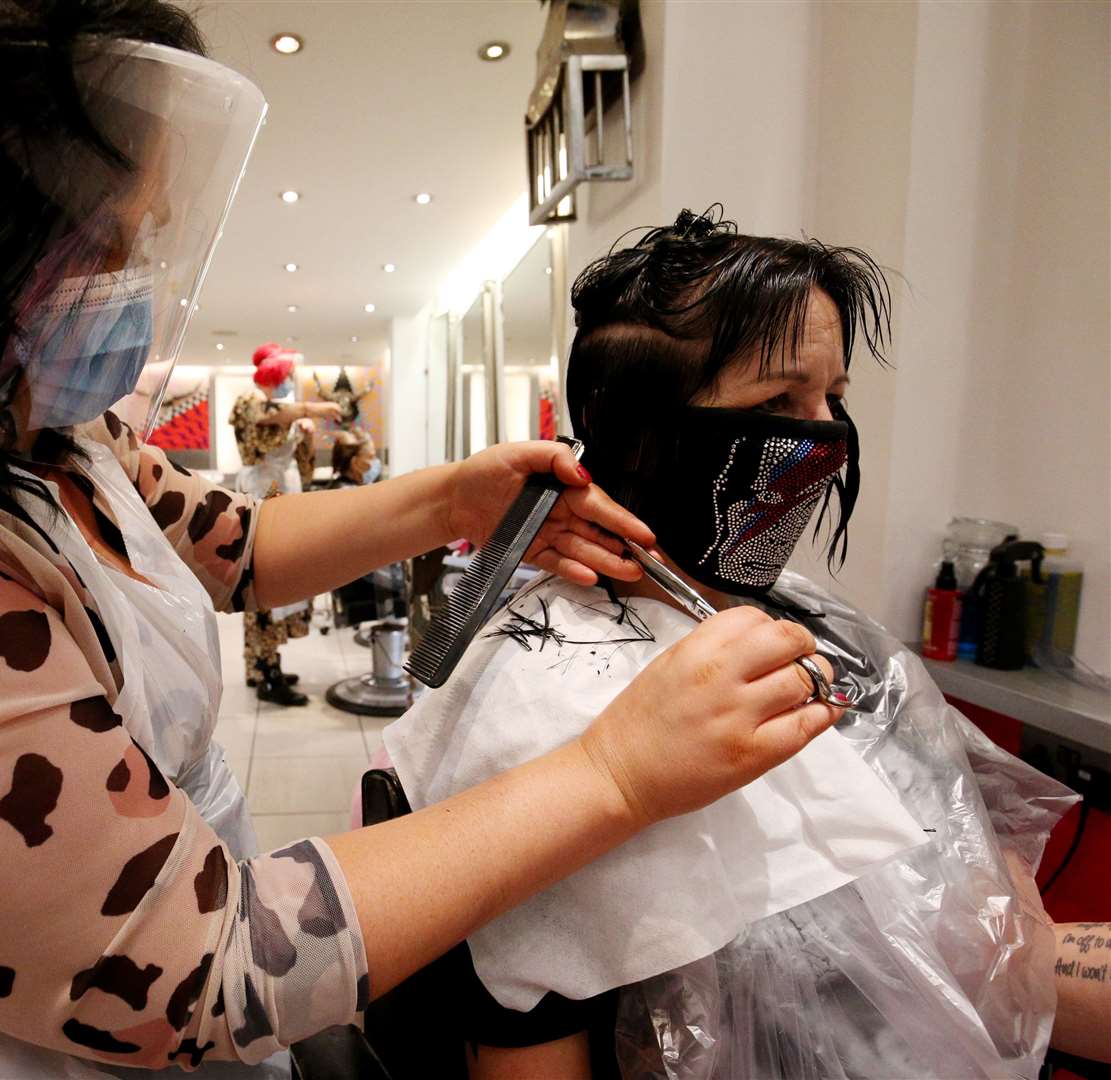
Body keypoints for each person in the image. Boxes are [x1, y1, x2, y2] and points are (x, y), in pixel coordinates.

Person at [0, 6, 847, 1075]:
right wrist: (612, 775)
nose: (128, 284)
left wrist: (448, 501)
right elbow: (185, 966)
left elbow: (227, 541)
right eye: (98, 246)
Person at [381, 208, 1104, 1078]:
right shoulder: (542, 689)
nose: (823, 438)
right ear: (636, 429)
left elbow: (980, 912)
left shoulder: (841, 640)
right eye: (775, 402)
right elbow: (525, 1042)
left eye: (832, 398)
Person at [228, 343, 338, 703]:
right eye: (289, 375)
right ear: (277, 375)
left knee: (273, 582)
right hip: (262, 497)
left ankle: (262, 664)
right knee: (265, 584)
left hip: (282, 494)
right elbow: (266, 415)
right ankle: (265, 673)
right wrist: (309, 410)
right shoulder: (249, 402)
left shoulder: (283, 413)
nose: (292, 382)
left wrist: (304, 434)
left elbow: (303, 467)